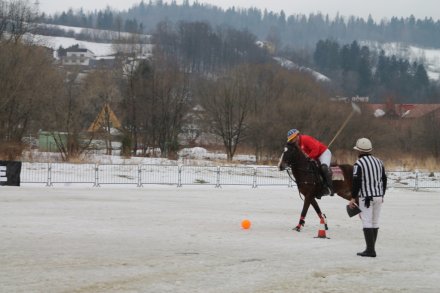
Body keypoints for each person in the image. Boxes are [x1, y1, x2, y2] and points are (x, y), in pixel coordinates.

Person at [349, 138, 387, 257]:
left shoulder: (358, 163)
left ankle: (370, 250)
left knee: (367, 222)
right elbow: (384, 179)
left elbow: (356, 181)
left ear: (359, 151)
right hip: (378, 196)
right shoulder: (379, 161)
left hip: (366, 197)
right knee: (375, 222)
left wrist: (353, 197)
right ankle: (371, 249)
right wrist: (382, 194)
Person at [286, 128, 334, 196]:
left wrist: (309, 157)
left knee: (324, 168)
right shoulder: (297, 145)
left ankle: (330, 188)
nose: (292, 141)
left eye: (292, 139)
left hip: (323, 153)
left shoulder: (305, 139)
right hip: (315, 156)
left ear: (297, 136)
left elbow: (316, 149)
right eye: (290, 140)